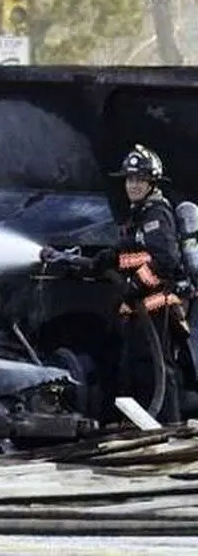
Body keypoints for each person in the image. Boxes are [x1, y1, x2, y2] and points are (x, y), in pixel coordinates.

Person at [94, 144, 187, 423]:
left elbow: (165, 260)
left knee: (158, 371)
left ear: (152, 183)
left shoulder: (156, 214)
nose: (133, 185)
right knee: (136, 370)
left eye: (140, 180)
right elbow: (137, 254)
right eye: (129, 179)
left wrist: (135, 284)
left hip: (157, 305)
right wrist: (109, 258)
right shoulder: (139, 213)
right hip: (142, 307)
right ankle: (143, 426)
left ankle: (169, 429)